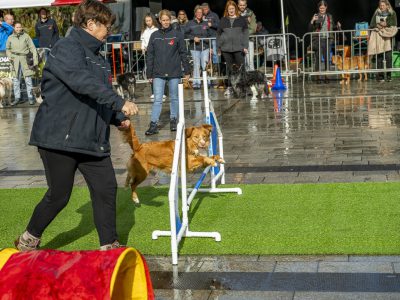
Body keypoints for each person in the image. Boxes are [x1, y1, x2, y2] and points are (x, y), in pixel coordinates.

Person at [14, 0, 138, 252]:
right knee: (59, 195)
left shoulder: (99, 59)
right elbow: (82, 83)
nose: (108, 31)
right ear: (91, 24)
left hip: (92, 139)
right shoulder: (66, 47)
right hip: (59, 137)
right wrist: (119, 102)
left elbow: (96, 94)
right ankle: (29, 238)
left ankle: (109, 246)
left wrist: (116, 116)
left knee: (106, 189)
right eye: (106, 25)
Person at [145, 9, 190, 135]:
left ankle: (173, 120)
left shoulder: (177, 34)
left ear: (170, 20)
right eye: (163, 20)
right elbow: (150, 55)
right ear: (159, 20)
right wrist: (149, 73)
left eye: (167, 20)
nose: (165, 22)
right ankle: (153, 124)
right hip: (158, 73)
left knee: (174, 98)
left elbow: (183, 53)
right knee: (158, 99)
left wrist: (187, 70)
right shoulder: (154, 36)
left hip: (174, 72)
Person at [217, 0, 248, 96]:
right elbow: (218, 34)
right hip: (226, 49)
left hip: (239, 48)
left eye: (233, 8)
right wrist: (218, 47)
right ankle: (230, 88)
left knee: (242, 69)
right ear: (227, 9)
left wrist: (245, 46)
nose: (231, 10)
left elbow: (246, 34)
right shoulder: (223, 20)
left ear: (236, 9)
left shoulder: (242, 19)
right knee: (230, 70)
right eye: (229, 9)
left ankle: (244, 88)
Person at [6, 22, 39, 106]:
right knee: (16, 80)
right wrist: (9, 56)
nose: (18, 29)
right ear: (14, 28)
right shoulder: (10, 37)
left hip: (25, 59)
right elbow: (8, 49)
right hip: (15, 60)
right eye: (16, 27)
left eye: (19, 27)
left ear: (21, 28)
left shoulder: (26, 36)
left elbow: (33, 48)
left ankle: (31, 97)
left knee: (28, 80)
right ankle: (17, 98)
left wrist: (35, 60)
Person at [309, 0, 341, 84]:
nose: (322, 9)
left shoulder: (329, 16)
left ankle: (327, 77)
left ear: (326, 7)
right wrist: (312, 21)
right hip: (318, 39)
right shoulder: (316, 16)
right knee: (318, 59)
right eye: (320, 8)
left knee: (327, 59)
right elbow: (309, 29)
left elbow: (332, 27)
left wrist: (337, 26)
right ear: (318, 8)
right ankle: (318, 77)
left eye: (323, 8)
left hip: (327, 39)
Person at [368, 0, 398, 82]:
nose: (381, 7)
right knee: (379, 57)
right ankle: (380, 76)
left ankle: (388, 75)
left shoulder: (392, 13)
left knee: (388, 57)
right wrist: (377, 25)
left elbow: (394, 22)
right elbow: (371, 24)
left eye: (383, 5)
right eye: (380, 5)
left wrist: (386, 23)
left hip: (387, 37)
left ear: (387, 5)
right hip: (379, 36)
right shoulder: (377, 13)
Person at [185, 5, 211, 89]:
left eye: (201, 12)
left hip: (205, 47)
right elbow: (185, 34)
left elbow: (210, 35)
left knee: (205, 65)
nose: (199, 14)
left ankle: (207, 82)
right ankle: (196, 83)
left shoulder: (206, 23)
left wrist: (210, 47)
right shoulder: (190, 23)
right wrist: (193, 38)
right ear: (195, 13)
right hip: (195, 48)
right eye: (198, 12)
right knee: (196, 65)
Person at [140, 13, 164, 100]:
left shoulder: (157, 30)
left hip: (157, 53)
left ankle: (162, 92)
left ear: (153, 20)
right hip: (148, 53)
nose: (148, 22)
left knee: (159, 72)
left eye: (149, 20)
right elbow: (142, 41)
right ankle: (154, 92)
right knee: (151, 72)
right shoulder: (144, 31)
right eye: (146, 21)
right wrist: (143, 48)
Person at [238, 0, 256, 71]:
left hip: (249, 41)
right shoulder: (234, 13)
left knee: (249, 62)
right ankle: (242, 80)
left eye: (243, 5)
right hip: (238, 42)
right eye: (240, 5)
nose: (242, 6)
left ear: (246, 5)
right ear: (238, 5)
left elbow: (253, 28)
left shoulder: (251, 14)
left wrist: (244, 33)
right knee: (240, 63)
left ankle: (252, 80)